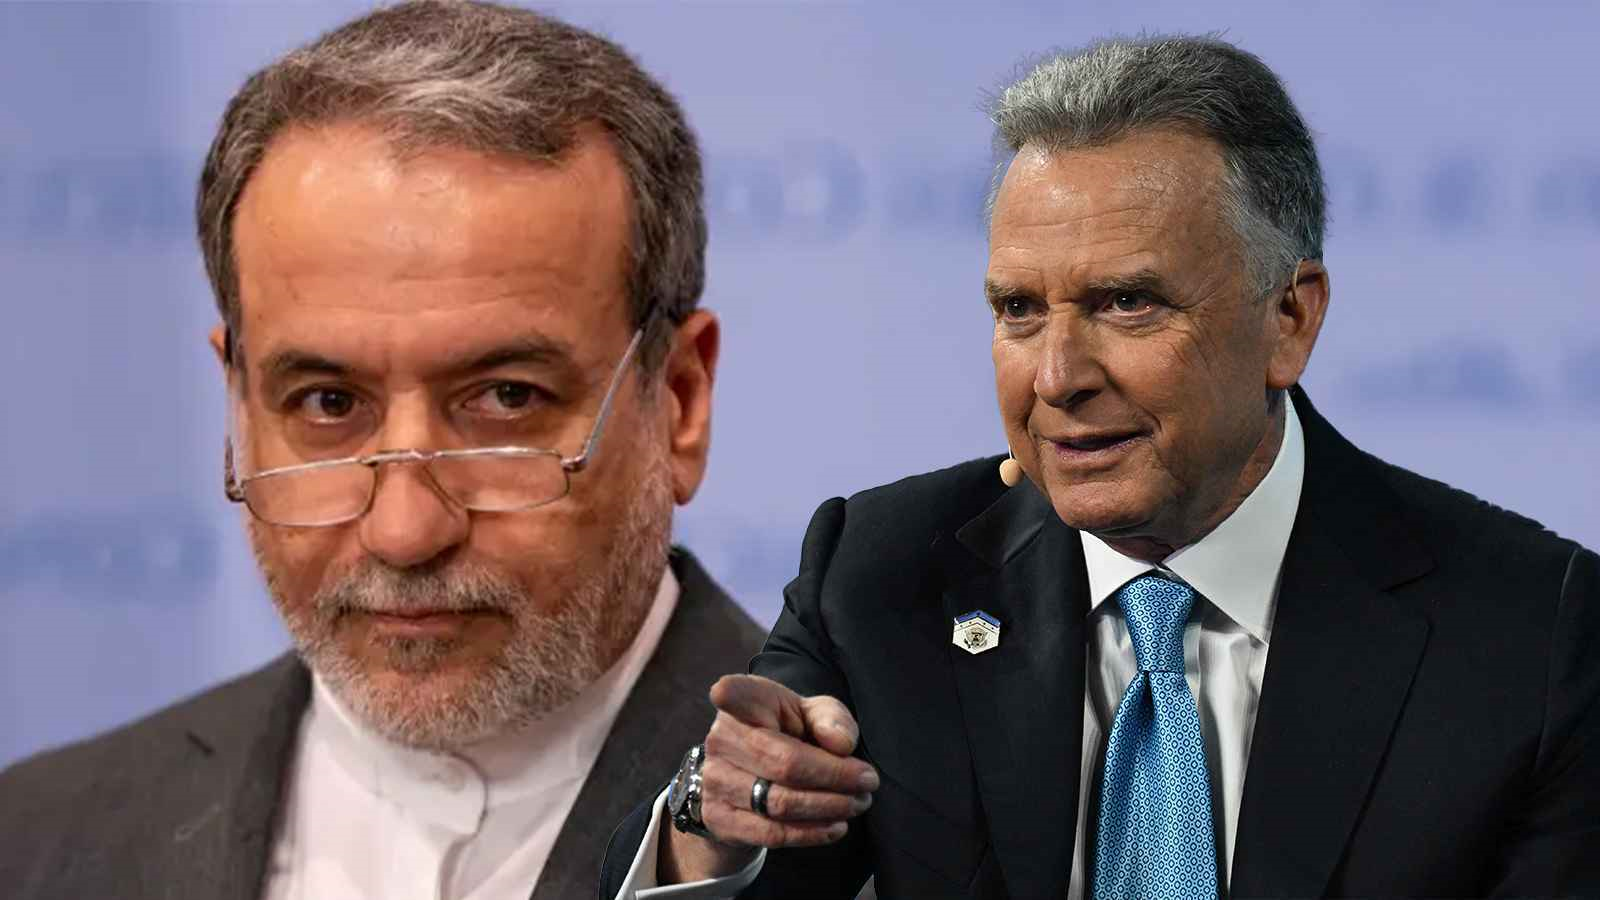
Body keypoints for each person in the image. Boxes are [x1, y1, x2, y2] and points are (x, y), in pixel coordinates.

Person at [600, 35, 1600, 899]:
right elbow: (746, 819)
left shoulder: (1531, 634)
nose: (1056, 377)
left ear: (1288, 320)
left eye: (1127, 303)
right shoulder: (881, 576)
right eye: (1018, 310)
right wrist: (709, 825)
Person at [0, 3, 766, 898]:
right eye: (328, 404)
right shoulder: (38, 839)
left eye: (506, 399)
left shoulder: (893, 830)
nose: (404, 532)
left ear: (679, 401)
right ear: (237, 403)